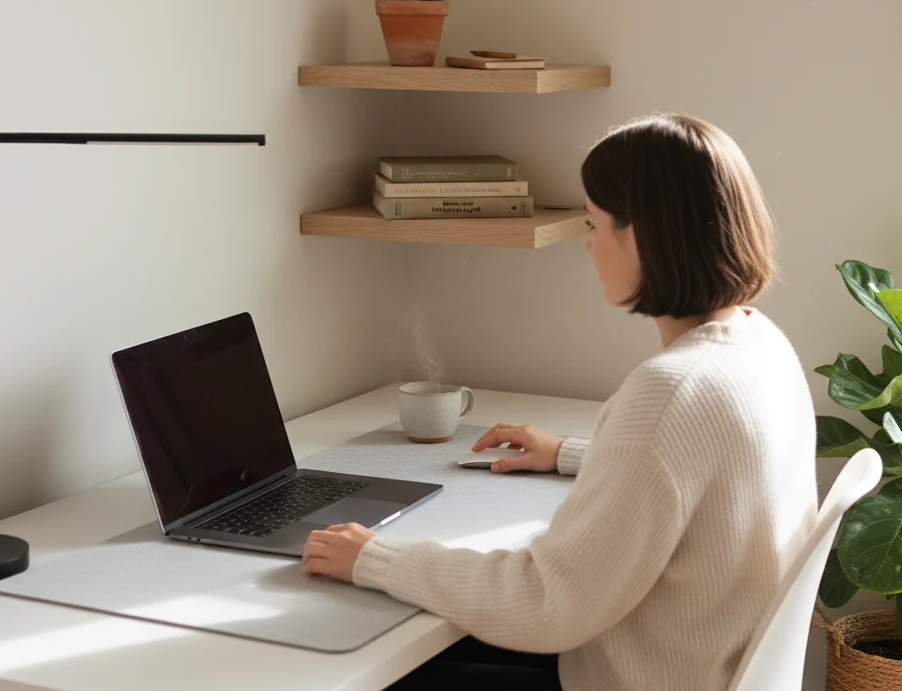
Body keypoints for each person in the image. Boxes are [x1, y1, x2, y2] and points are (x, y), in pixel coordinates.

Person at [302, 113, 819, 691]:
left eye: (594, 224)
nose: (589, 246)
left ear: (645, 235)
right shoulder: (758, 344)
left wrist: (374, 558)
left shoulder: (671, 391)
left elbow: (546, 604)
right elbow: (694, 475)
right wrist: (571, 454)